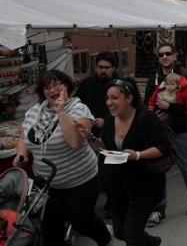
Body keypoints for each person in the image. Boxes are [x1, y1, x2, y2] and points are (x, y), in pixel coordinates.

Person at [14, 70, 112, 246]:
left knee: (81, 220)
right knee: (50, 230)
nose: (52, 89)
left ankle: (105, 239)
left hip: (81, 180)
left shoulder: (78, 108)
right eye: (47, 86)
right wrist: (21, 154)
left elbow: (74, 141)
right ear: (42, 91)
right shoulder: (34, 112)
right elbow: (24, 137)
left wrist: (60, 112)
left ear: (66, 86)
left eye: (57, 84)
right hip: (48, 183)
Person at [100, 78, 169, 246]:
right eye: (108, 98)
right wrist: (90, 139)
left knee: (131, 235)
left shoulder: (145, 117)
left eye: (115, 98)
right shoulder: (110, 119)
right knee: (120, 233)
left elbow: (163, 147)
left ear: (129, 98)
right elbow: (107, 145)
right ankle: (152, 242)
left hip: (146, 184)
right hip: (119, 186)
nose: (110, 102)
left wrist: (137, 155)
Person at [144, 43, 187, 226]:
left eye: (168, 53)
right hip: (159, 131)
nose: (165, 57)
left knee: (186, 166)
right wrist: (154, 116)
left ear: (175, 56)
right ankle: (159, 209)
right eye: (161, 54)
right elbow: (147, 101)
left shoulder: (185, 76)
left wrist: (170, 108)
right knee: (158, 169)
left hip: (180, 129)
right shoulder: (154, 77)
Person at [75, 50, 121, 218]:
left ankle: (114, 204)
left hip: (114, 136)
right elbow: (76, 104)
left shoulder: (121, 85)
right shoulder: (87, 84)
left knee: (112, 172)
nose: (103, 70)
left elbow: (129, 109)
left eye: (107, 67)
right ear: (95, 67)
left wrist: (108, 120)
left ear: (113, 68)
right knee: (92, 173)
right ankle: (88, 209)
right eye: (100, 67)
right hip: (90, 137)